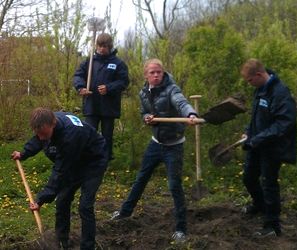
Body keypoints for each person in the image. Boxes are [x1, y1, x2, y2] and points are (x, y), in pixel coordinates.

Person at [110, 58, 199, 242]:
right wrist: (147, 117)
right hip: (155, 143)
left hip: (173, 145)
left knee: (174, 186)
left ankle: (181, 229)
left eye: (159, 72)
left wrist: (190, 114)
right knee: (141, 178)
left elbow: (181, 102)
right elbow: (144, 111)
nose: (156, 75)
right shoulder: (143, 92)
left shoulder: (171, 89)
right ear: (146, 75)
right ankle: (125, 213)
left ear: (163, 72)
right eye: (152, 72)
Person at [11, 107, 108, 250]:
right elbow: (39, 139)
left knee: (85, 207)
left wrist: (41, 199)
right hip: (74, 162)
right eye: (39, 134)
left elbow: (60, 171)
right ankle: (62, 241)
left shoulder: (71, 135)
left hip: (93, 163)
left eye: (45, 134)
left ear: (53, 124)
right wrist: (24, 153)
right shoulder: (46, 121)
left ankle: (88, 246)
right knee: (63, 200)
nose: (43, 138)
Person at [240, 58, 297, 237]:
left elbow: (283, 124)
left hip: (273, 147)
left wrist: (257, 139)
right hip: (257, 144)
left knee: (268, 184)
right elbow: (255, 117)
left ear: (258, 75)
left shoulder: (280, 93)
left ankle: (272, 225)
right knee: (248, 178)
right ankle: (260, 205)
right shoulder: (260, 90)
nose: (249, 84)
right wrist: (248, 132)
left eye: (250, 80)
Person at [73, 33, 129, 161]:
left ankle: (106, 159)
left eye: (105, 46)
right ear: (96, 46)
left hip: (108, 107)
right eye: (99, 46)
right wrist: (81, 87)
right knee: (89, 132)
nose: (102, 49)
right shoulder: (90, 61)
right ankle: (89, 158)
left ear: (110, 46)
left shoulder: (118, 63)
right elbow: (78, 75)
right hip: (91, 105)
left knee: (107, 135)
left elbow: (124, 81)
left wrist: (109, 88)